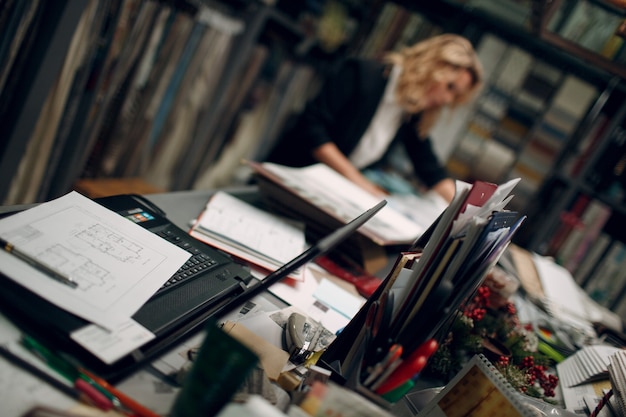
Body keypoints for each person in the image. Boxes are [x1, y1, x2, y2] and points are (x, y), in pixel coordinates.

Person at [264, 34, 483, 202]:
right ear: (433, 67)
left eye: (455, 96)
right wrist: (360, 184)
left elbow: (429, 166)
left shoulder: (410, 112)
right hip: (285, 181)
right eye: (450, 87)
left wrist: (465, 213)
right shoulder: (362, 73)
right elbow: (311, 128)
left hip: (322, 194)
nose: (447, 99)